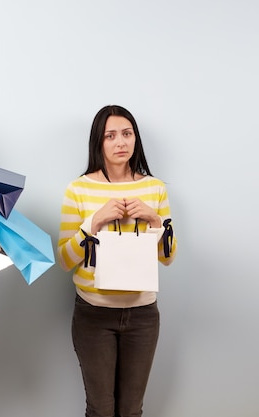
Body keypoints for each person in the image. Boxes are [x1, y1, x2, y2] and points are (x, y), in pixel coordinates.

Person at [57, 105, 176, 417]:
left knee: (131, 410)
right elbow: (64, 259)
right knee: (100, 409)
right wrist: (92, 223)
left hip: (143, 315)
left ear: (135, 138)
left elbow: (168, 257)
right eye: (110, 135)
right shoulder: (79, 189)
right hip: (93, 314)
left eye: (127, 133)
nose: (120, 142)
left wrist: (154, 219)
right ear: (98, 142)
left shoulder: (155, 188)